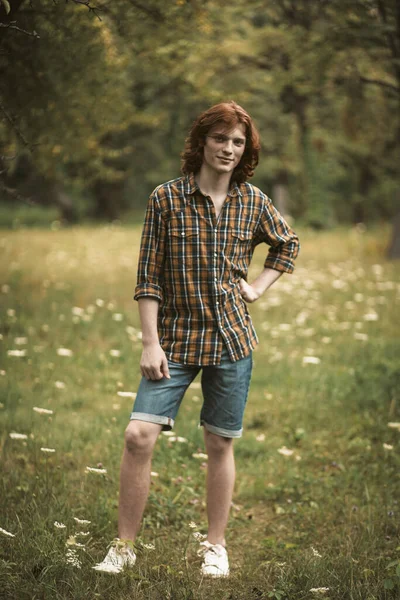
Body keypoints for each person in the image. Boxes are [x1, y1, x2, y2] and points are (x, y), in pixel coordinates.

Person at [93, 101, 300, 577]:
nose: (228, 148)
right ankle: (124, 546)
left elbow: (288, 244)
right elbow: (149, 275)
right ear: (202, 141)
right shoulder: (165, 198)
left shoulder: (253, 201)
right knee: (138, 436)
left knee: (219, 442)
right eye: (220, 138)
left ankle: (215, 546)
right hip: (174, 341)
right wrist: (150, 342)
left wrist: (257, 286)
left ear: (244, 150)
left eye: (237, 142)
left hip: (231, 340)